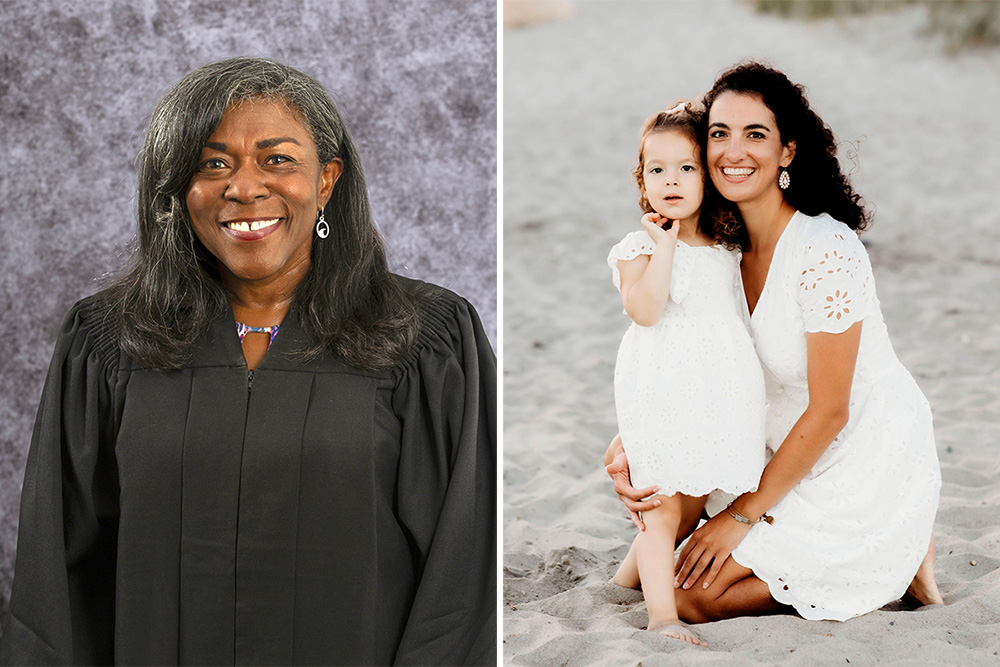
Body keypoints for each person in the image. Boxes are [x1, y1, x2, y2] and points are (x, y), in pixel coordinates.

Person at [0, 57, 495, 666]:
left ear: (326, 181)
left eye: (277, 159)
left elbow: (465, 571)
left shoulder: (425, 339)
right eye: (213, 164)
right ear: (178, 189)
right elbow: (59, 575)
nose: (244, 187)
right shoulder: (107, 341)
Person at [606, 62, 942, 625]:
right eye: (719, 134)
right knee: (658, 540)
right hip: (771, 430)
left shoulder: (824, 250)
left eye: (755, 135)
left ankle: (893, 555)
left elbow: (833, 409)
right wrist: (627, 443)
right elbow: (695, 354)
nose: (733, 151)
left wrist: (739, 516)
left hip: (856, 451)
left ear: (787, 152)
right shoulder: (721, 249)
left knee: (691, 597)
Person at [605, 102, 765, 646]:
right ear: (642, 182)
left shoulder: (729, 246)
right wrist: (666, 246)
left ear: (708, 177)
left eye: (686, 168)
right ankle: (662, 617)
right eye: (657, 170)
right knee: (662, 502)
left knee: (697, 497)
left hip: (719, 393)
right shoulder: (640, 248)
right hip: (661, 390)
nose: (670, 180)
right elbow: (646, 310)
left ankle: (626, 580)